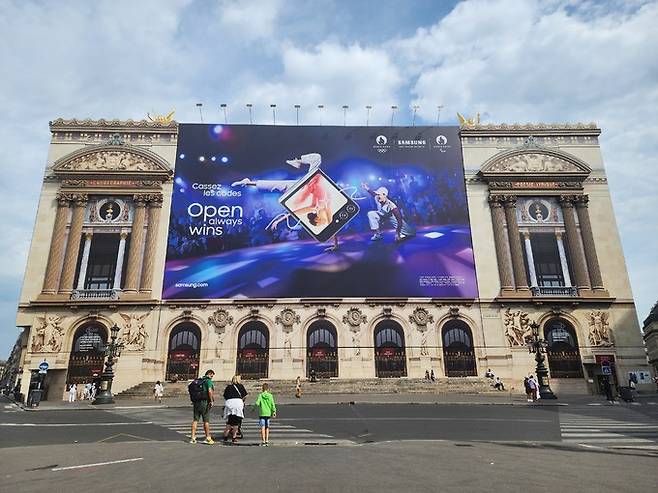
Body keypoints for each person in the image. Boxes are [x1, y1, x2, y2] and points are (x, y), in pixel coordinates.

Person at [189, 369, 215, 445]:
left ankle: (193, 438)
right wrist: (211, 401)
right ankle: (207, 437)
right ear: (210, 374)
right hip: (204, 402)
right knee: (206, 421)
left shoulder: (198, 380)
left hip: (196, 402)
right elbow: (210, 391)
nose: (212, 377)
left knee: (195, 420)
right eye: (212, 375)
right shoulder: (208, 381)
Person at [222, 374, 247, 444]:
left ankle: (225, 437)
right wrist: (241, 401)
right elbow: (244, 396)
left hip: (229, 404)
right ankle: (234, 437)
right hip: (238, 403)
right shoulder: (241, 386)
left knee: (229, 421)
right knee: (236, 422)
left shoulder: (228, 387)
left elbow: (225, 396)